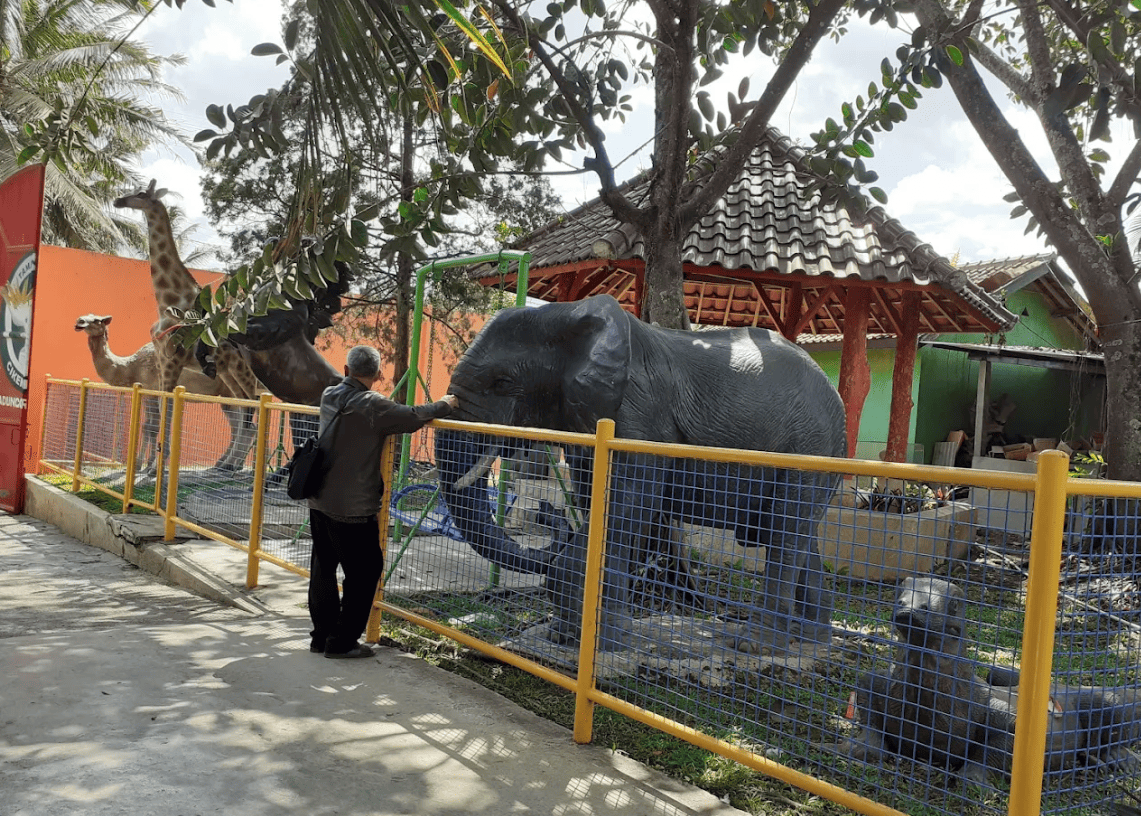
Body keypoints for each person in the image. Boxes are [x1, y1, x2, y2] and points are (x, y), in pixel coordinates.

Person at [307, 344, 458, 658]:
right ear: (377, 375)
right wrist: (446, 403)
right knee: (365, 572)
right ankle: (342, 642)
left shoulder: (329, 396)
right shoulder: (373, 405)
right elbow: (415, 416)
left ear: (346, 370)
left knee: (323, 570)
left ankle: (321, 637)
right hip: (353, 509)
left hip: (319, 500)